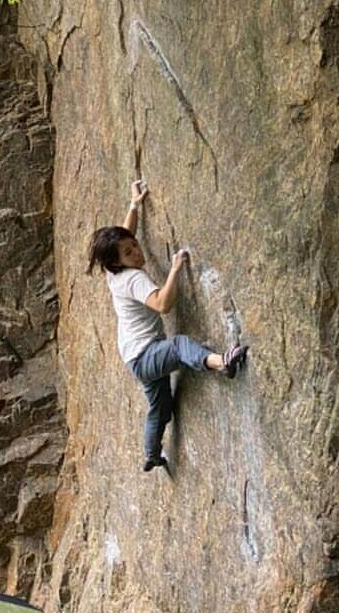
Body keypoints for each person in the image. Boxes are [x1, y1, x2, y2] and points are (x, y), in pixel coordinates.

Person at [87, 180, 248, 472]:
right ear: (118, 262)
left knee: (159, 408)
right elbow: (162, 304)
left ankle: (150, 454)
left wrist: (135, 204)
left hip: (135, 359)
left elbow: (126, 234)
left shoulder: (115, 273)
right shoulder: (133, 279)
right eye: (129, 252)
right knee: (178, 345)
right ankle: (221, 363)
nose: (136, 252)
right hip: (147, 354)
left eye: (134, 247)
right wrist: (174, 270)